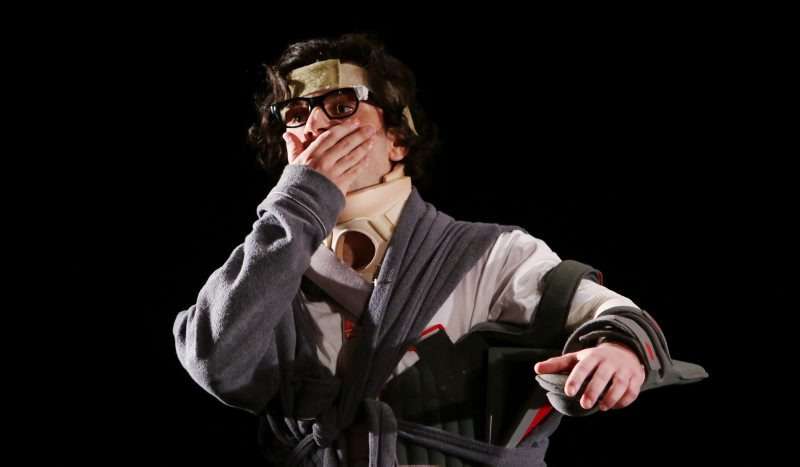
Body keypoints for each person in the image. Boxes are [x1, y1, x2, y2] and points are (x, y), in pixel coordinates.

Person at [173, 33, 706, 467]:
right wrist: (295, 209)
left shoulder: (490, 254)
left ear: (397, 139)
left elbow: (611, 315)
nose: (313, 125)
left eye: (339, 106)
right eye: (294, 114)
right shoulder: (269, 270)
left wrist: (616, 350)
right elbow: (215, 361)